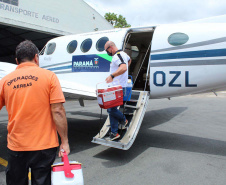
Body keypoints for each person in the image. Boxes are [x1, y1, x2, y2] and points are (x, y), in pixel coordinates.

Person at [0, 40, 70, 185]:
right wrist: (65, 141)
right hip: (44, 146)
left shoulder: (5, 81)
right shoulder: (49, 77)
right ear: (36, 57)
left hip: (17, 145)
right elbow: (58, 111)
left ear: (17, 61)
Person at [105, 41, 131, 141]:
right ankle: (114, 133)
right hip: (119, 87)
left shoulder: (117, 56)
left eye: (107, 50)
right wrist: (124, 72)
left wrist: (112, 76)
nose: (107, 53)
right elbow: (129, 61)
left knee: (111, 109)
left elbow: (123, 67)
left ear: (110, 47)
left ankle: (123, 120)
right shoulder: (124, 54)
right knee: (112, 109)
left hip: (117, 88)